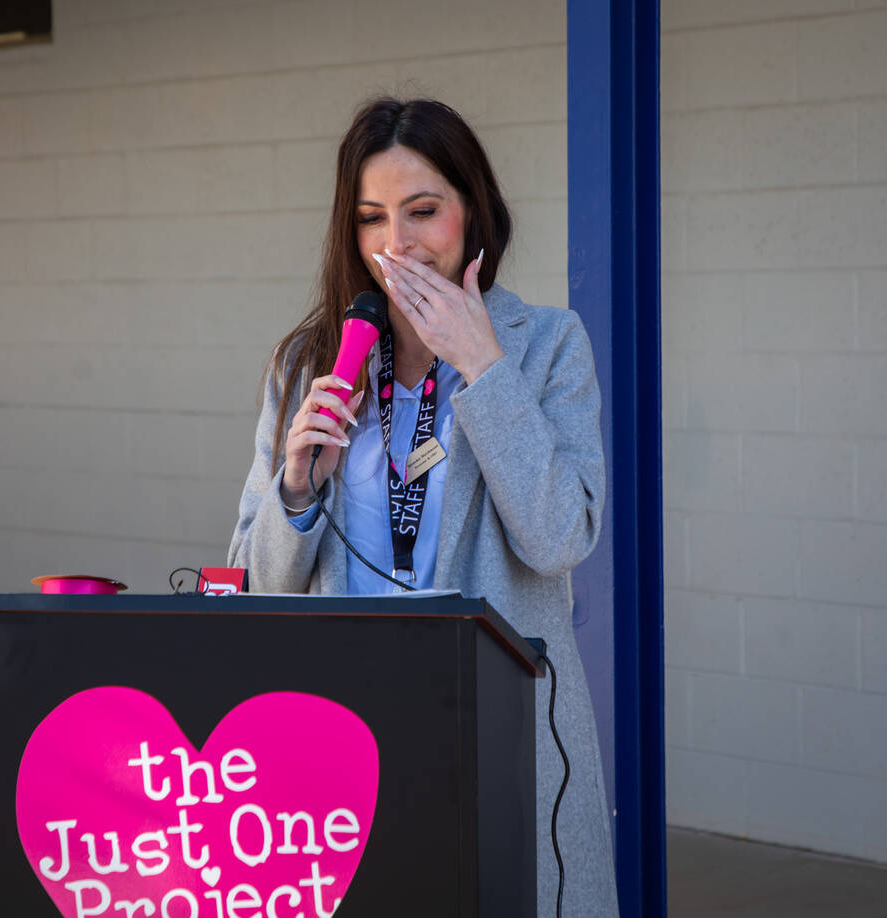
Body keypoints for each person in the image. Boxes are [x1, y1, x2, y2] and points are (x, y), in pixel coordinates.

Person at [227, 96, 619, 916]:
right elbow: (254, 589)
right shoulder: (308, 364)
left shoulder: (546, 346)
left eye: (423, 212)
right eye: (371, 218)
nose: (395, 245)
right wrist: (296, 488)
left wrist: (484, 367)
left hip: (495, 736)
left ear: (473, 214)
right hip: (339, 740)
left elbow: (558, 539)